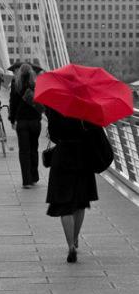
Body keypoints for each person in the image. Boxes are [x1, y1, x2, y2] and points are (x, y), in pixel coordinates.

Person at [45, 107, 99, 263]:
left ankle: (70, 246)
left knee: (64, 204)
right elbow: (94, 131)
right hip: (83, 157)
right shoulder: (86, 105)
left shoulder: (55, 106)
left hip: (62, 157)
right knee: (80, 202)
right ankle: (75, 239)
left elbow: (53, 135)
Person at [9, 63, 43, 189]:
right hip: (35, 121)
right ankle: (34, 177)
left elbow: (12, 104)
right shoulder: (37, 84)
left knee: (24, 151)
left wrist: (12, 119)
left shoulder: (15, 85)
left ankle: (26, 180)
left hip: (22, 121)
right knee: (34, 148)